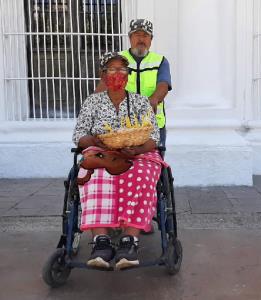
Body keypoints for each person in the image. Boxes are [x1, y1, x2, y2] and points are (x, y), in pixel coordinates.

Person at [72, 51, 166, 270]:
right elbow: (79, 136)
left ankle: (129, 241)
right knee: (94, 174)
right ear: (103, 75)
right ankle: (101, 242)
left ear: (128, 75)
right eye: (112, 69)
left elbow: (154, 137)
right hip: (102, 153)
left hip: (137, 153)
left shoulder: (141, 102)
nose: (117, 73)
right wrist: (96, 140)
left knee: (142, 174)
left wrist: (138, 148)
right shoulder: (92, 102)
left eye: (122, 69)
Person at [95, 19, 172, 147]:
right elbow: (103, 86)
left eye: (145, 36)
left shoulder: (160, 61)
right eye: (137, 35)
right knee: (119, 162)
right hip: (119, 126)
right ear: (130, 38)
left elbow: (163, 85)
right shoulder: (117, 59)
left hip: (152, 125)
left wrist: (154, 99)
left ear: (151, 40)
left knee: (153, 162)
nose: (141, 40)